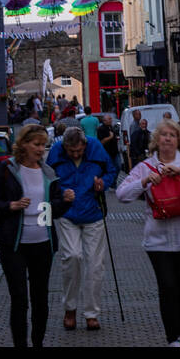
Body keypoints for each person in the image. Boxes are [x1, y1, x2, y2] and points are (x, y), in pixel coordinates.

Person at [117, 119, 180, 347]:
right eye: (163, 134)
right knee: (167, 287)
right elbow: (122, 195)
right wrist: (144, 182)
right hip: (157, 240)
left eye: (172, 135)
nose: (167, 138)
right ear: (156, 140)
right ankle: (172, 338)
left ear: (179, 140)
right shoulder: (145, 167)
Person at [0, 124, 75, 348]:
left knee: (40, 300)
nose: (40, 149)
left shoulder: (48, 172)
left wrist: (64, 201)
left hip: (42, 243)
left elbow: (53, 210)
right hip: (14, 244)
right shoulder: (7, 169)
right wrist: (12, 205)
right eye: (36, 144)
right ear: (23, 144)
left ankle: (38, 342)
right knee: (19, 299)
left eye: (43, 145)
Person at [47, 125, 117, 332]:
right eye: (71, 151)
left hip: (93, 212)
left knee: (95, 264)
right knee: (72, 257)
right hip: (68, 214)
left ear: (85, 145)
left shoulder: (95, 149)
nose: (76, 154)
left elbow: (111, 170)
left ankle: (91, 313)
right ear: (65, 147)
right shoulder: (56, 153)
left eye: (79, 151)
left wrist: (103, 183)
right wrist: (59, 195)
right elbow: (48, 181)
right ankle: (70, 308)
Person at [96, 112, 121, 183]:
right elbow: (101, 142)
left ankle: (113, 181)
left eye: (111, 119)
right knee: (110, 169)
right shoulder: (101, 129)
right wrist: (110, 137)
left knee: (118, 167)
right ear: (104, 121)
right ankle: (111, 183)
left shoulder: (111, 127)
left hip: (115, 152)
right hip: (107, 153)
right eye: (109, 119)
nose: (111, 120)